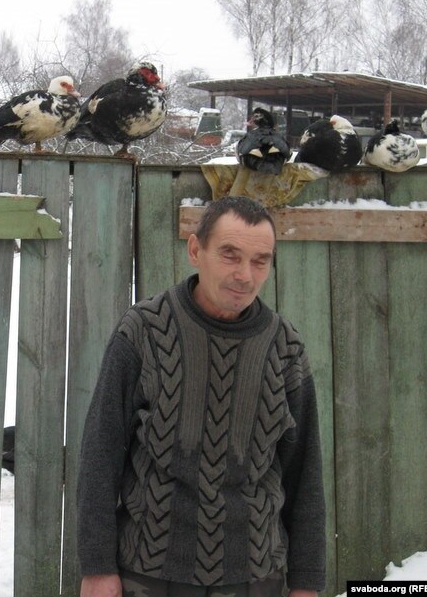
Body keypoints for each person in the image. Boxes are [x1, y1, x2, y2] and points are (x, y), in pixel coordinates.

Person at [76, 196, 325, 597]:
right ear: (196, 250)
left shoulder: (285, 348)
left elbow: (304, 473)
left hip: (255, 577)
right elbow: (100, 453)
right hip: (148, 574)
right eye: (230, 255)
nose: (245, 275)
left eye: (260, 261)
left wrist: (306, 582)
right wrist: (97, 567)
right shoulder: (143, 331)